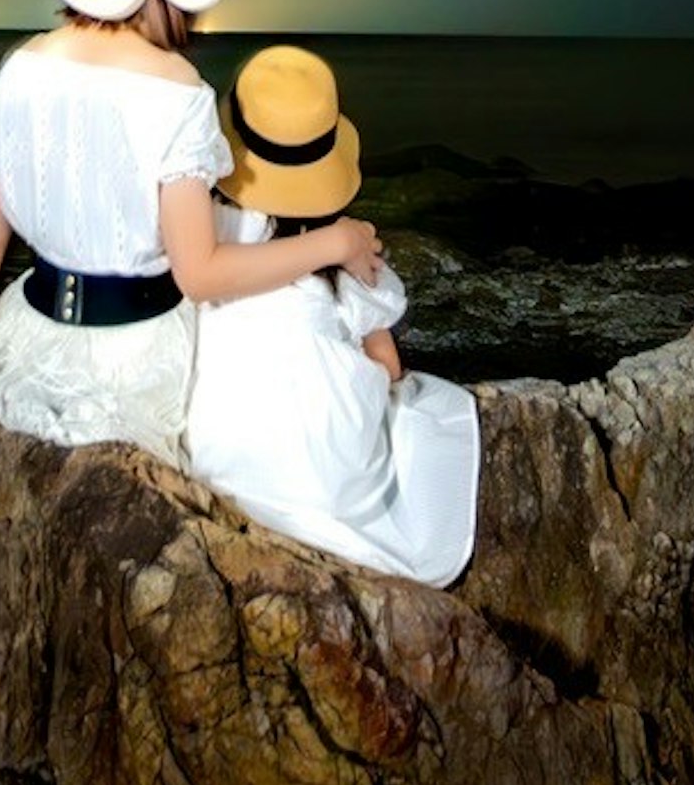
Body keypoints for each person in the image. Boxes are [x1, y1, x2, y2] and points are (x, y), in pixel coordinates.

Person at [0, 0, 386, 453]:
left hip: (26, 331)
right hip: (134, 361)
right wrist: (335, 240)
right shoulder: (179, 92)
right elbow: (200, 273)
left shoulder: (22, 66)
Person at [178, 40, 481, 585]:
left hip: (218, 457)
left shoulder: (206, 235)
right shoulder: (343, 251)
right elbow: (387, 367)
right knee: (407, 409)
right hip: (328, 480)